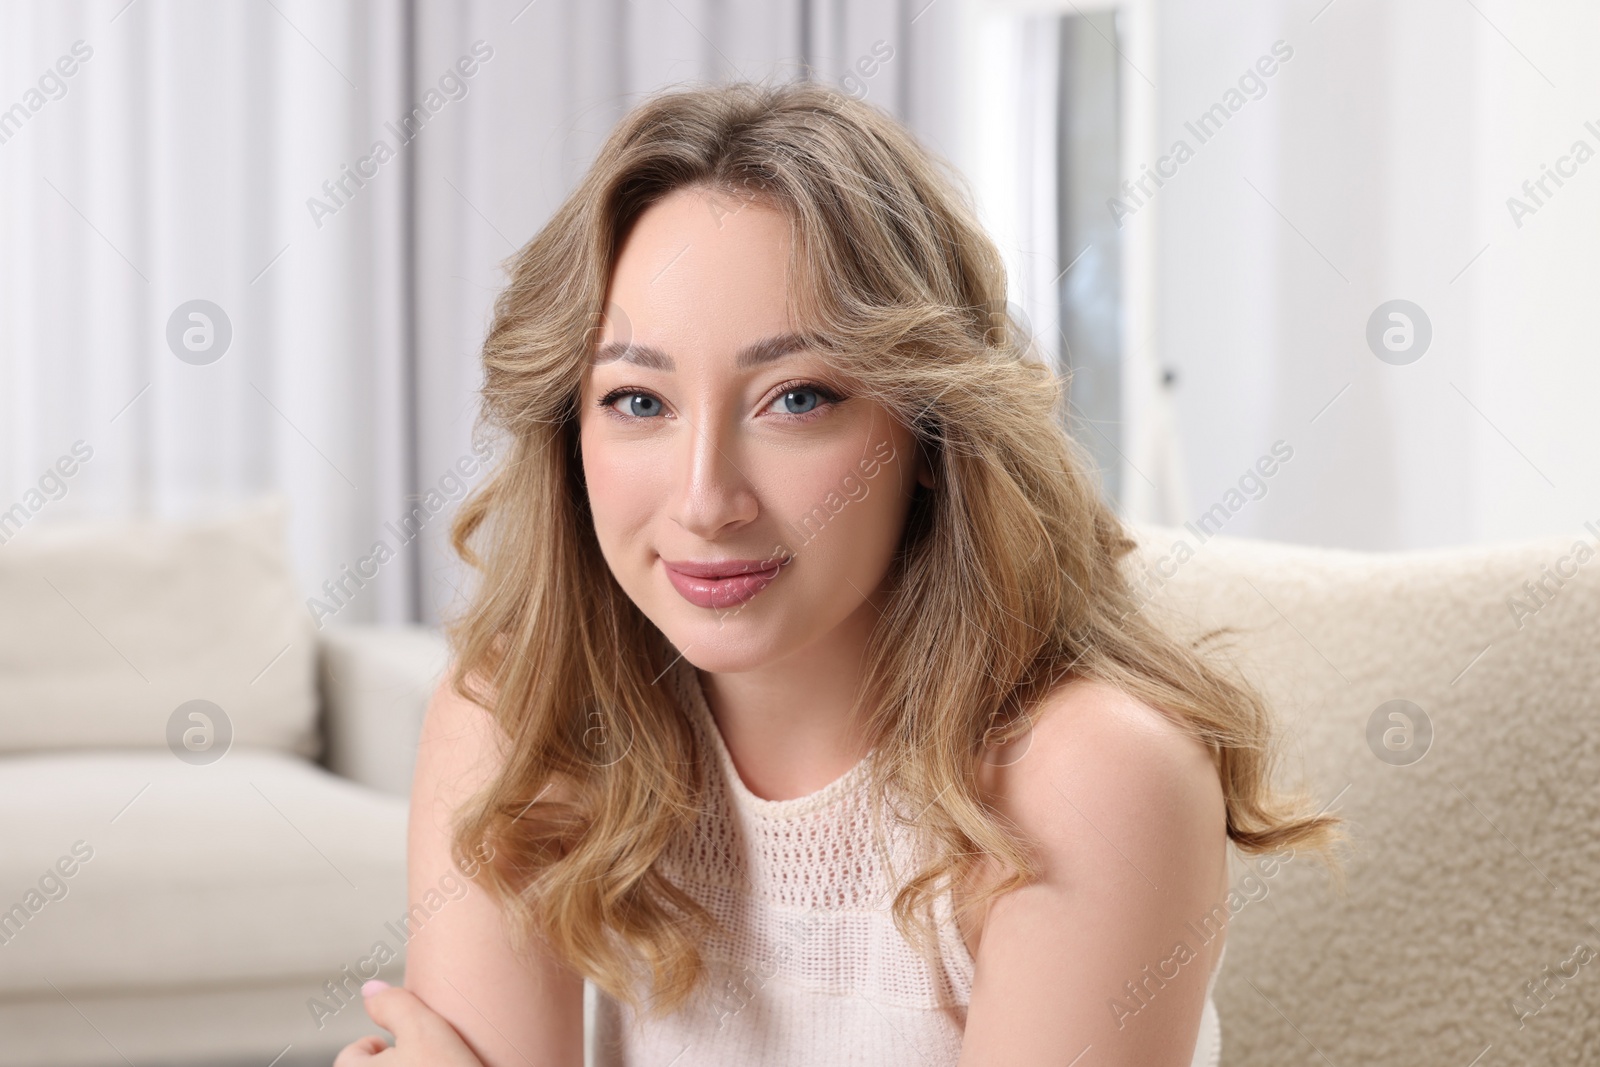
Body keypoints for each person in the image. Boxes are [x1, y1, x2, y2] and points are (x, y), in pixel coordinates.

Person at [335, 80, 1345, 1067]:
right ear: (570, 437)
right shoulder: (521, 717)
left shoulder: (1087, 777)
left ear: (927, 430)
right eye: (639, 402)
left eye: (797, 398)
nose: (704, 499)